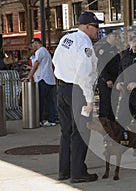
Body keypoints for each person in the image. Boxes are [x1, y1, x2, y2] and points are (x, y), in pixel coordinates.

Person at [52, 11, 102, 183]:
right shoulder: (84, 42)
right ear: (87, 26)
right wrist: (89, 100)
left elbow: (56, 60)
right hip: (78, 91)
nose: (98, 30)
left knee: (66, 131)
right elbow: (85, 74)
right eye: (96, 26)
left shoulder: (67, 39)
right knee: (81, 132)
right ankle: (78, 172)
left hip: (63, 89)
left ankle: (64, 170)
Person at [26, 38, 56, 127]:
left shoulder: (40, 51)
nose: (32, 47)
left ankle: (39, 120)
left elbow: (35, 66)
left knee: (41, 101)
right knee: (50, 101)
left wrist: (28, 77)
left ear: (36, 43)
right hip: (49, 79)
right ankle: (51, 120)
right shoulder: (45, 51)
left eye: (33, 45)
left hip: (43, 79)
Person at [94, 29, 121, 122]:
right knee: (105, 104)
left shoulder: (115, 49)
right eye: (114, 36)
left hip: (115, 80)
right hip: (106, 82)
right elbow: (101, 66)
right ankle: (104, 124)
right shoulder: (103, 49)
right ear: (109, 37)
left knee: (113, 103)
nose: (116, 38)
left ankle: (112, 124)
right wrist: (107, 79)